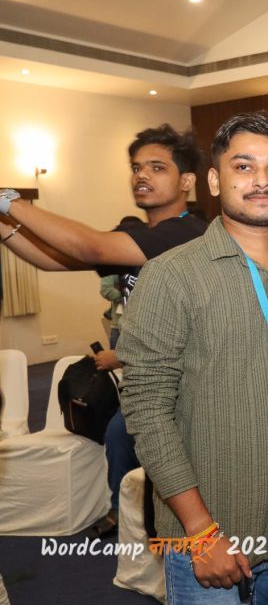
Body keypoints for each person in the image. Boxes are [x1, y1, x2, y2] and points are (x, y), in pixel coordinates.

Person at [118, 111, 268, 603]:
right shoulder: (171, 275)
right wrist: (200, 530)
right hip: (210, 531)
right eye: (243, 167)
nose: (262, 180)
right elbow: (147, 410)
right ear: (215, 181)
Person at [0, 124, 207, 538]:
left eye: (157, 167)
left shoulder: (187, 233)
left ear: (186, 181)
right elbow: (51, 259)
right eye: (136, 167)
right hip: (150, 388)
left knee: (182, 496)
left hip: (191, 391)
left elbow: (90, 245)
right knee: (134, 458)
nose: (141, 175)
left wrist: (9, 202)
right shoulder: (140, 237)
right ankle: (137, 526)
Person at [100, 215, 145, 348]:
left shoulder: (148, 257)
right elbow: (106, 289)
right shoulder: (114, 260)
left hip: (145, 326)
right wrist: (130, 296)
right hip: (121, 326)